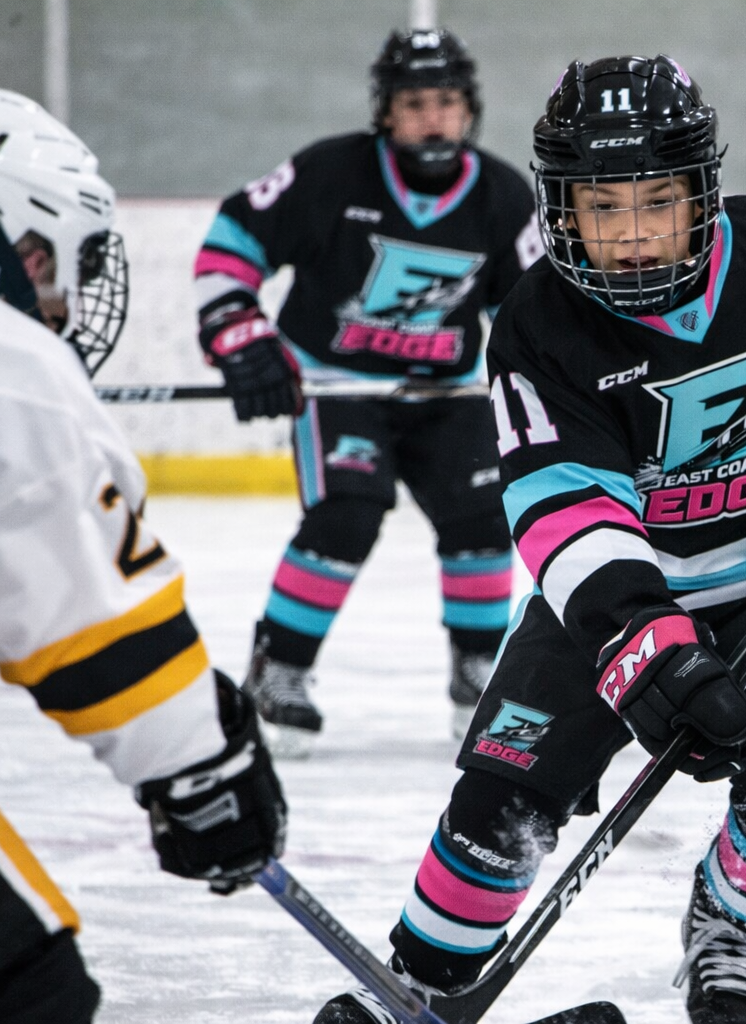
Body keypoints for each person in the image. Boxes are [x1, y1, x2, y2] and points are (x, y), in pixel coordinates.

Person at [308, 54, 746, 1024]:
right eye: (605, 210)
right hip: (616, 596)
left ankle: (729, 928)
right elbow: (567, 508)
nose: (634, 236)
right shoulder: (538, 326)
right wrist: (652, 649)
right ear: (563, 210)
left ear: (702, 193)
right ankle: (423, 986)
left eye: (657, 203)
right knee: (498, 808)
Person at [0, 88, 287, 1024]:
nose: (61, 295)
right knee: (23, 991)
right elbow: (82, 615)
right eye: (52, 261)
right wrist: (201, 767)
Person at [193, 27, 544, 756]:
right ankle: (279, 669)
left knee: (482, 513)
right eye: (414, 103)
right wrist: (239, 335)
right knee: (348, 512)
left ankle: (477, 672)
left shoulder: (504, 195)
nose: (431, 118)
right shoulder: (331, 175)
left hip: (445, 395)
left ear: (468, 109)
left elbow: (530, 315)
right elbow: (232, 243)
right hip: (333, 385)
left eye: (446, 101)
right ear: (385, 111)